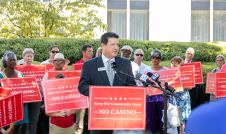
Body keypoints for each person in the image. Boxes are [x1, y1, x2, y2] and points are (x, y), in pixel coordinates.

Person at [78, 32, 136, 134]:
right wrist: (101, 93)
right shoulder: (89, 65)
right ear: (103, 45)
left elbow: (132, 85)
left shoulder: (125, 64)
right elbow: (82, 86)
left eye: (117, 44)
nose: (116, 48)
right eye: (112, 44)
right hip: (99, 118)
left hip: (120, 118)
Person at [43, 53, 78, 134]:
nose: (58, 63)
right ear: (53, 62)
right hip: (54, 109)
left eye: (61, 61)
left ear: (64, 63)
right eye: (56, 61)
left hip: (68, 108)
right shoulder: (48, 74)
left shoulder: (69, 74)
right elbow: (43, 89)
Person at [2, 51, 29, 134]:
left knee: (22, 130)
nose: (13, 61)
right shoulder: (1, 76)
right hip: (7, 110)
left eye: (14, 60)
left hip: (22, 108)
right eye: (10, 60)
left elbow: (26, 89)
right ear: (5, 62)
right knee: (10, 130)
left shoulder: (21, 74)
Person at [18, 48, 41, 134]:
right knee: (24, 120)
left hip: (36, 98)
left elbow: (42, 81)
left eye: (31, 56)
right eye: (27, 56)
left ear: (33, 57)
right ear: (23, 57)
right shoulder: (18, 69)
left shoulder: (39, 69)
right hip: (23, 98)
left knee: (34, 120)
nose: (29, 58)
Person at [144, 49, 167, 134]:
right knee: (150, 119)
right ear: (151, 58)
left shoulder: (165, 70)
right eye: (153, 57)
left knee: (163, 119)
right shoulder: (146, 70)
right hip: (150, 98)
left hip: (162, 97)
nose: (155, 59)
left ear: (160, 59)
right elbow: (143, 83)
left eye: (157, 57)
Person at [74, 44, 93, 134]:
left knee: (92, 117)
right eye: (89, 51)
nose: (91, 53)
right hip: (81, 94)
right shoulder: (77, 64)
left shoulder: (94, 63)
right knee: (80, 118)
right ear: (83, 52)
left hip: (92, 94)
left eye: (92, 51)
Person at [171, 56, 191, 133]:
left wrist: (180, 87)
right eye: (172, 64)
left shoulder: (185, 73)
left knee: (183, 117)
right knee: (174, 117)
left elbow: (190, 86)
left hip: (183, 97)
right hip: (173, 98)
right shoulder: (170, 74)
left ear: (180, 65)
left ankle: (182, 131)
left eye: (175, 64)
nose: (173, 66)